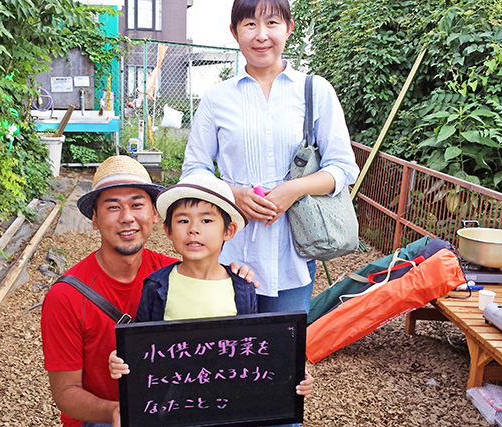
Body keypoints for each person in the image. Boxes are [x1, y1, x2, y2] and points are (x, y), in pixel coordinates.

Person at [40, 156, 256, 427]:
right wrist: (117, 411)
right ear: (94, 219)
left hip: (179, 407)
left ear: (155, 215)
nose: (127, 217)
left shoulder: (175, 273)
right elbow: (65, 393)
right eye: (113, 207)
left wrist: (234, 276)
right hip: (107, 418)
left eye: (137, 204)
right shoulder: (66, 296)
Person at [181, 0, 360, 316]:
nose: (261, 35)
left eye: (272, 23)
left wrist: (292, 190)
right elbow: (193, 170)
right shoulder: (217, 99)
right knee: (229, 350)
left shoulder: (315, 91)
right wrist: (234, 194)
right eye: (250, 24)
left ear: (289, 28)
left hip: (292, 252)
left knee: (281, 352)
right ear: (234, 32)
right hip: (229, 250)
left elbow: (344, 167)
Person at [108, 174, 314, 425]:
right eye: (183, 220)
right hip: (173, 407)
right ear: (168, 231)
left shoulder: (242, 289)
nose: (194, 229)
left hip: (224, 407)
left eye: (206, 220)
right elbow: (141, 346)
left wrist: (288, 372)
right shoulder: (157, 286)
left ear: (228, 230)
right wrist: (121, 360)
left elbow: (253, 350)